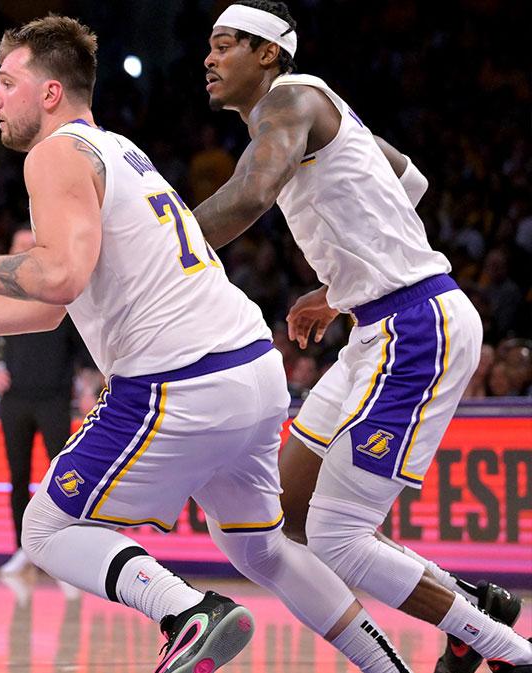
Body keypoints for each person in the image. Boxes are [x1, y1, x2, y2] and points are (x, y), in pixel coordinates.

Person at [0, 15, 413, 673]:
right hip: (251, 367)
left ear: (50, 92)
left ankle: (188, 610)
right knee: (263, 549)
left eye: (5, 82)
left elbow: (58, 275)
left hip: (178, 378)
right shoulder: (117, 150)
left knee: (46, 530)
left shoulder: (53, 155)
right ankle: (387, 665)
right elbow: (50, 310)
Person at [195, 3, 528, 671]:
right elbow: (409, 180)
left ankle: (511, 650)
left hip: (415, 326)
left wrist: (150, 247)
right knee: (285, 515)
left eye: (224, 45)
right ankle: (471, 605)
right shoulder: (314, 111)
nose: (208, 58)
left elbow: (249, 195)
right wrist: (343, 285)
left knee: (338, 535)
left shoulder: (291, 98)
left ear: (267, 54)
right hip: (376, 326)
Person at [0, 227, 84, 576]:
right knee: (17, 476)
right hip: (15, 399)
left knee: (62, 476)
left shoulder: (61, 292)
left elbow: (80, 348)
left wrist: (89, 385)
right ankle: (22, 548)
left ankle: (66, 548)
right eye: (19, 248)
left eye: (31, 247)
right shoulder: (3, 294)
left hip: (53, 398)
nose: (25, 253)